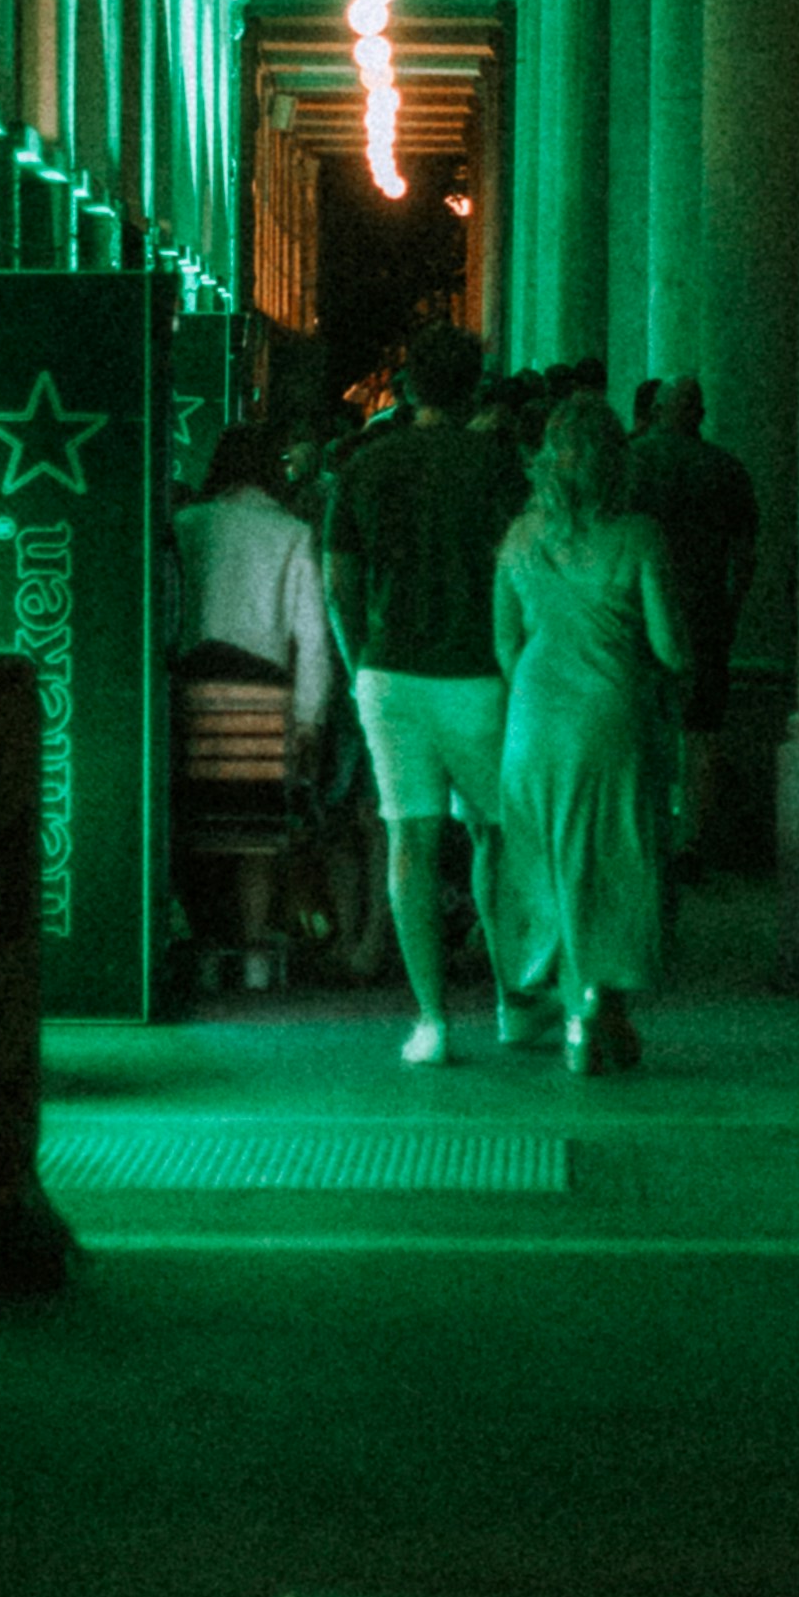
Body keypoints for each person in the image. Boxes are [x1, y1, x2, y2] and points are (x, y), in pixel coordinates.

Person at [319, 311, 533, 1065]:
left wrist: (356, 666)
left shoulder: (364, 466)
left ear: (407, 385)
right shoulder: (496, 466)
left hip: (389, 672)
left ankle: (432, 1020)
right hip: (479, 671)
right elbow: (521, 569)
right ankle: (512, 999)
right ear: (474, 386)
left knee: (409, 839)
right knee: (497, 836)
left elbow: (339, 582)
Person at [493, 391, 689, 1075]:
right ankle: (592, 1011)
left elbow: (505, 644)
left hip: (533, 718)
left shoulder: (520, 537)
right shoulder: (638, 536)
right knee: (607, 862)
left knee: (551, 863)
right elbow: (671, 648)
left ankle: (585, 1009)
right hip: (609, 716)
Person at [626, 375, 757, 863]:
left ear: (657, 409)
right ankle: (693, 839)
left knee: (642, 723)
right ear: (699, 413)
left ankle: (648, 828)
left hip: (637, 616)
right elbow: (744, 555)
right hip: (703, 614)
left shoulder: (631, 462)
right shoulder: (726, 470)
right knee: (702, 728)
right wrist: (731, 609)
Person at [173, 423, 336, 764]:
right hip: (262, 698)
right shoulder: (294, 534)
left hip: (189, 691)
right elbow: (313, 638)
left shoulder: (185, 525)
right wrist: (309, 717)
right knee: (254, 807)